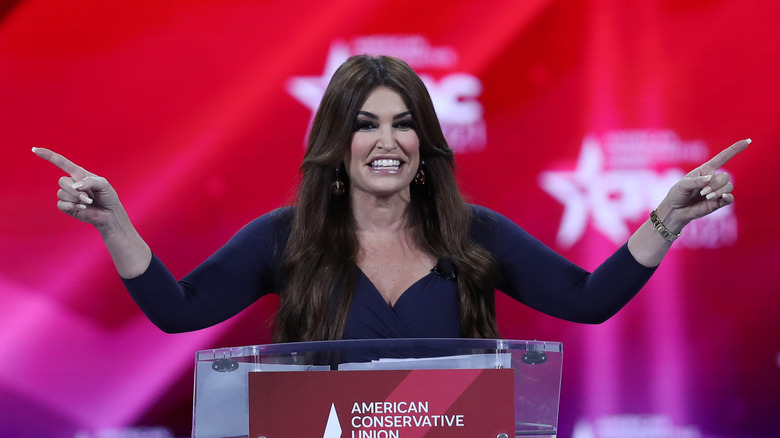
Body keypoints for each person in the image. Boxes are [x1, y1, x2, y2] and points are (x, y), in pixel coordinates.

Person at [33, 55, 748, 343]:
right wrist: (113, 222)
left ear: (425, 143)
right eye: (365, 123)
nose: (387, 139)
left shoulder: (475, 236)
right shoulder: (286, 238)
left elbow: (588, 299)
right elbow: (177, 311)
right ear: (337, 143)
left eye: (404, 123)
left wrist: (668, 218)